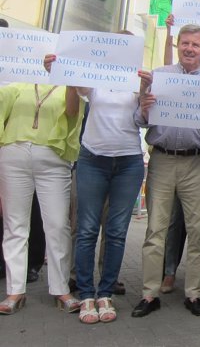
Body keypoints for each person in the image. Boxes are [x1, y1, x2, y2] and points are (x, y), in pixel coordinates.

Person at [132, 24, 200, 318]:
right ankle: (149, 295)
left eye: (195, 45)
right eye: (185, 43)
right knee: (155, 230)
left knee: (199, 230)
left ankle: (194, 293)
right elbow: (140, 120)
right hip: (162, 160)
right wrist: (145, 107)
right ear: (178, 46)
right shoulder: (160, 76)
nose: (189, 49)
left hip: (198, 162)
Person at [42, 50, 144, 324]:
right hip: (93, 161)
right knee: (87, 229)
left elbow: (145, 118)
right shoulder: (95, 77)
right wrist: (59, 67)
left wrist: (145, 92)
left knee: (117, 232)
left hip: (129, 163)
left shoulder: (138, 79)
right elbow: (77, 88)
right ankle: (87, 293)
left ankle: (106, 293)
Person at [0, 81, 83, 314]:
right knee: (15, 225)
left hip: (53, 158)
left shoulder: (68, 82)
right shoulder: (16, 81)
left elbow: (72, 112)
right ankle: (15, 290)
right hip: (12, 154)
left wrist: (70, 82)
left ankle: (61, 288)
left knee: (58, 225)